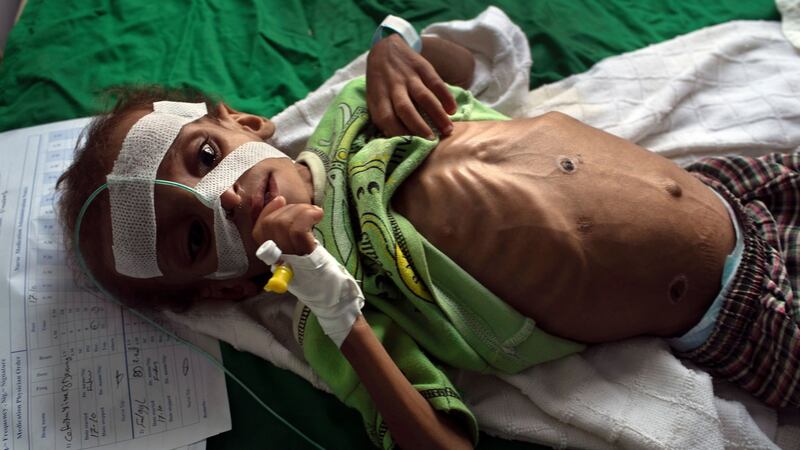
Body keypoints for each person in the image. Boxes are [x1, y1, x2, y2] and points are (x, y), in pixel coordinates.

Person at [56, 26, 800, 450]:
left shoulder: (360, 109)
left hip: (735, 183)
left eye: (205, 157)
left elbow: (488, 69)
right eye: (192, 238)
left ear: (247, 123)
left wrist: (403, 50)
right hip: (736, 311)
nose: (225, 199)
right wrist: (326, 293)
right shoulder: (330, 312)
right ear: (222, 287)